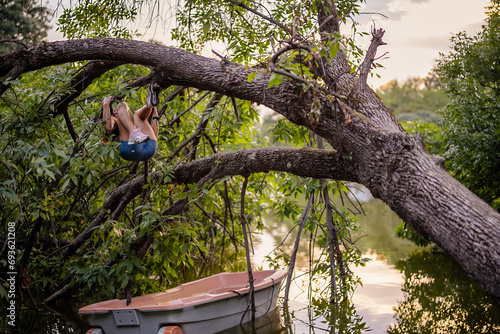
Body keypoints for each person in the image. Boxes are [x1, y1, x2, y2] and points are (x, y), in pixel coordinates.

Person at [102, 83, 161, 161]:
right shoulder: (113, 119)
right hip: (142, 149)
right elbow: (108, 127)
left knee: (136, 115)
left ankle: (149, 105)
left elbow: (154, 137)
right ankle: (134, 131)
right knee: (126, 108)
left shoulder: (127, 119)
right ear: (113, 111)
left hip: (144, 148)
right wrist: (106, 105)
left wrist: (155, 117)